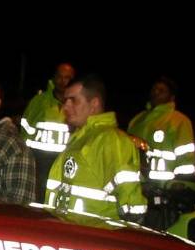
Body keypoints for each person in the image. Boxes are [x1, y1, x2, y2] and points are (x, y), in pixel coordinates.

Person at [46, 74, 147, 221]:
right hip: (71, 233)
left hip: (93, 236)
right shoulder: (82, 138)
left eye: (73, 100)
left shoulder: (109, 139)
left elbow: (132, 207)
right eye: (65, 100)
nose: (65, 106)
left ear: (94, 104)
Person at [128, 76, 195, 183]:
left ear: (172, 97)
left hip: (165, 189)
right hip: (136, 187)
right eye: (154, 89)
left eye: (161, 90)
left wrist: (181, 184)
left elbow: (186, 159)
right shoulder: (136, 120)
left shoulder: (180, 121)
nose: (156, 92)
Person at [20, 62, 75, 191]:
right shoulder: (38, 102)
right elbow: (24, 131)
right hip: (38, 167)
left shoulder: (78, 105)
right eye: (59, 76)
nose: (62, 81)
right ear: (54, 78)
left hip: (66, 168)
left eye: (67, 77)